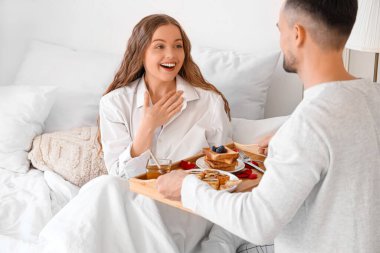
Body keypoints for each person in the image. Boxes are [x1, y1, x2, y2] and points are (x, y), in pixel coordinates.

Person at [157, 0, 380, 252]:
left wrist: (187, 187)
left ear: (297, 34)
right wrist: (290, 140)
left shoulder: (309, 124)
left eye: (280, 29)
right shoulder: (372, 96)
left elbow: (257, 222)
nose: (280, 39)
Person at [39, 14, 235, 253]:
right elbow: (119, 176)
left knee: (106, 190)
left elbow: (227, 173)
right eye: (159, 46)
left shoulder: (209, 103)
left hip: (183, 210)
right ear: (141, 51)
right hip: (128, 204)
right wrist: (148, 127)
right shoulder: (115, 103)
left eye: (178, 46)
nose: (171, 55)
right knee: (105, 187)